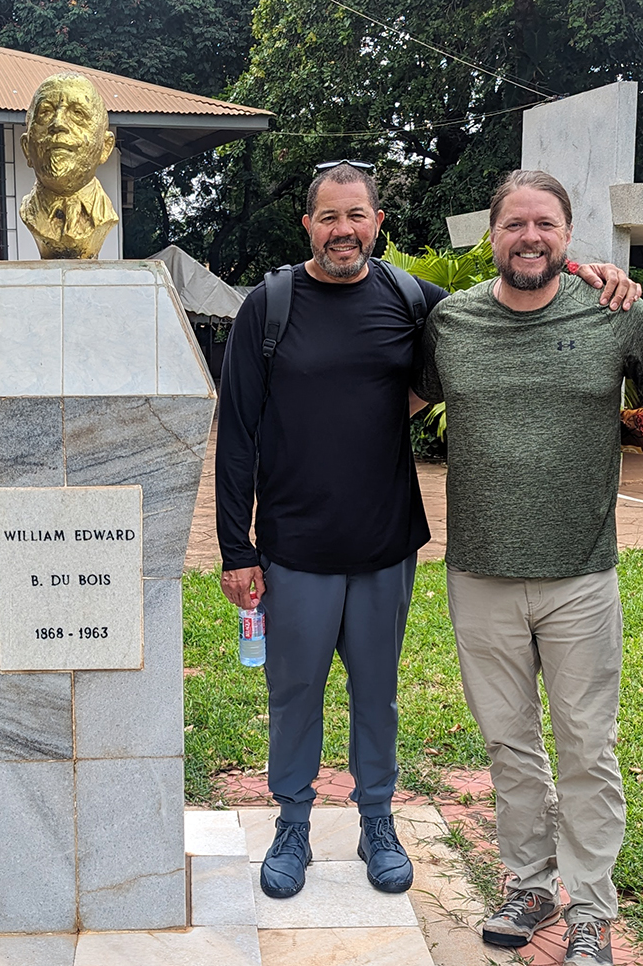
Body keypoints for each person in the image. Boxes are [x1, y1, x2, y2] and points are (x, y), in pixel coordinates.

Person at [215, 161, 639, 903]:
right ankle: (293, 823)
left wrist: (592, 272)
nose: (343, 229)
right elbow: (238, 434)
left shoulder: (420, 303)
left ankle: (378, 820)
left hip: (386, 545)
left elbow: (514, 300)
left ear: (380, 224)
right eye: (328, 216)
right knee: (294, 693)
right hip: (294, 547)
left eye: (357, 215)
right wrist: (235, 547)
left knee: (377, 695)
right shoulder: (270, 306)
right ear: (308, 224)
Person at [416, 169, 639, 966]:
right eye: (515, 224)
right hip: (479, 573)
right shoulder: (453, 321)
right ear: (493, 237)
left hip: (581, 575)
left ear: (568, 237)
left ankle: (591, 907)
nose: (530, 238)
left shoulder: (615, 313)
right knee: (509, 745)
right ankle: (530, 881)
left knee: (586, 745)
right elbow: (389, 398)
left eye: (545, 224)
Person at [18, 72, 119, 259]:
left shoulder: (106, 215)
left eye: (78, 113)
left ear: (105, 147)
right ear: (26, 147)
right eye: (45, 112)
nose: (58, 123)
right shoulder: (28, 213)